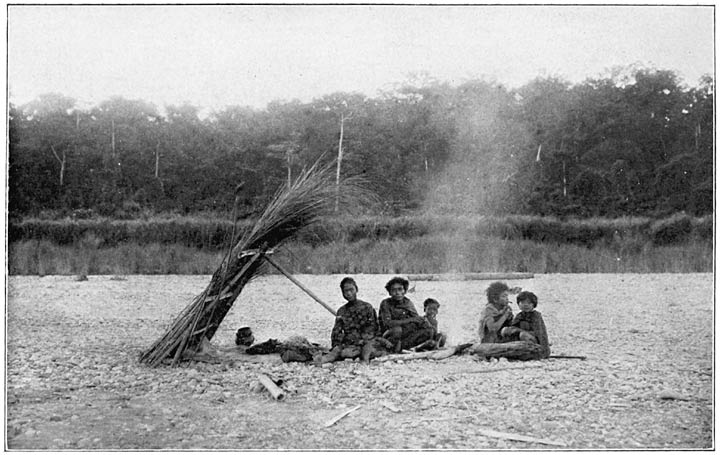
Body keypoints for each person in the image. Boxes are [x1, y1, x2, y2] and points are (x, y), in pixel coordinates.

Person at [314, 277, 379, 365]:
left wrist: (361, 341)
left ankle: (363, 359)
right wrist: (336, 345)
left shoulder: (367, 307)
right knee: (338, 352)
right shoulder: (342, 311)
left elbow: (372, 328)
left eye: (351, 290)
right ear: (342, 293)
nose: (349, 293)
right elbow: (336, 332)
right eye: (345, 291)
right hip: (349, 343)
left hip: (365, 342)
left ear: (356, 289)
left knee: (367, 350)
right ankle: (322, 360)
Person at [378, 277, 433, 352]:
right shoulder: (386, 303)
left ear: (405, 291)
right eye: (394, 290)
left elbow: (416, 319)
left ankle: (403, 347)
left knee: (428, 330)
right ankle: (395, 347)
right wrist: (410, 320)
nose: (397, 293)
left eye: (400, 289)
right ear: (389, 292)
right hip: (390, 334)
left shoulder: (408, 303)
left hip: (405, 334)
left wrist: (423, 322)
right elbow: (388, 323)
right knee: (397, 330)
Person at [501, 291, 551, 358]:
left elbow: (539, 334)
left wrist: (519, 330)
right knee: (505, 330)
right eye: (523, 303)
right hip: (521, 340)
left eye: (529, 303)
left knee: (523, 335)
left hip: (536, 344)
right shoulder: (520, 315)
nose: (526, 305)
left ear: (533, 304)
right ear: (518, 304)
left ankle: (529, 353)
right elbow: (513, 327)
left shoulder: (536, 316)